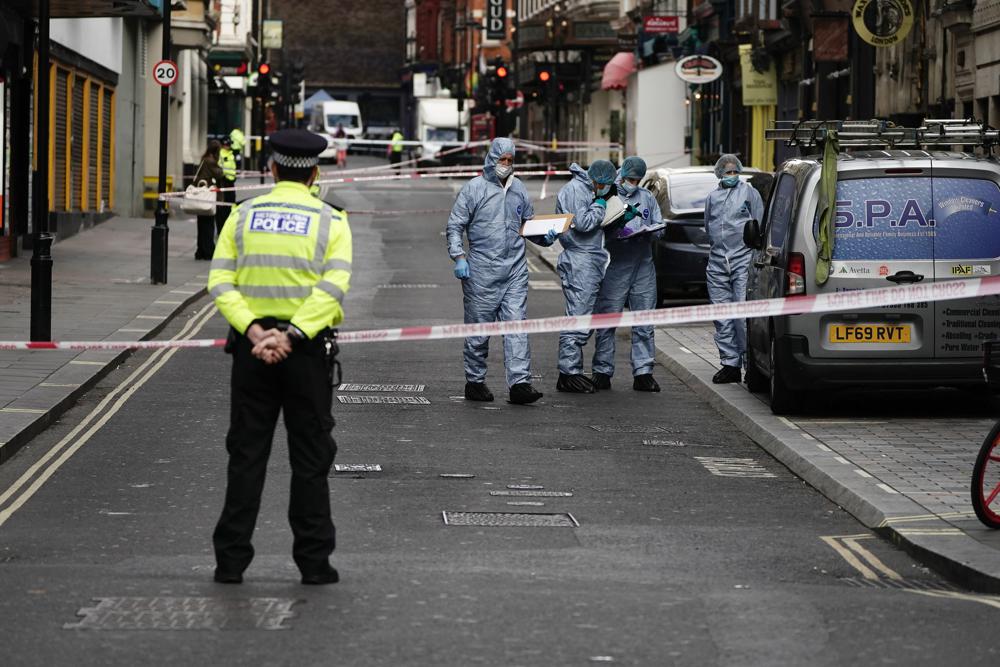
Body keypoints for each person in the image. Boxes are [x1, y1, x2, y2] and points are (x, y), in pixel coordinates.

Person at [207, 129, 352, 585]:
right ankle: (314, 563)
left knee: (246, 454)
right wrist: (292, 334)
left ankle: (230, 562)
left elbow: (220, 281)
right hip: (305, 351)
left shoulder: (243, 214)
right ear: (314, 172)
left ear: (271, 168)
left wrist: (254, 331)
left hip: (251, 351)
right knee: (310, 457)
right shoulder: (331, 219)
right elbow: (334, 287)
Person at [446, 137, 547, 405]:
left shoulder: (520, 189)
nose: (505, 165)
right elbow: (455, 225)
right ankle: (475, 381)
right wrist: (459, 256)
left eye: (510, 161)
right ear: (491, 159)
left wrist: (545, 237)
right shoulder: (474, 189)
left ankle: (520, 384)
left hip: (514, 269)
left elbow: (527, 224)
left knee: (517, 327)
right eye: (502, 160)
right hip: (481, 271)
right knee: (479, 331)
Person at [591, 156, 664, 392]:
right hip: (617, 265)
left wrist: (650, 233)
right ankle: (602, 370)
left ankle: (643, 372)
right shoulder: (609, 197)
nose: (633, 182)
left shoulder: (647, 198)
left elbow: (659, 226)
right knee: (607, 319)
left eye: (637, 179)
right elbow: (598, 228)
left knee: (644, 321)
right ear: (621, 175)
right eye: (630, 178)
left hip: (643, 265)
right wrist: (618, 231)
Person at [550, 159, 617, 393]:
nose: (606, 188)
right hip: (580, 261)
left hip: (589, 259)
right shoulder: (577, 190)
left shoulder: (585, 188)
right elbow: (583, 223)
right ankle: (568, 373)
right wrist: (600, 205)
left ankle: (572, 370)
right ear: (597, 180)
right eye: (605, 185)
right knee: (577, 316)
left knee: (583, 316)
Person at [704, 153, 764, 384]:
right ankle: (729, 364)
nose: (731, 175)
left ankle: (751, 365)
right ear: (719, 173)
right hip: (718, 260)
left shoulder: (749, 193)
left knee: (742, 315)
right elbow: (709, 226)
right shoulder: (712, 197)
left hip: (742, 259)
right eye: (727, 172)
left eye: (734, 171)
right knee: (721, 316)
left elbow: (758, 225)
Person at [193, 140, 225, 260]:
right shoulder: (211, 161)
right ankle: (208, 250)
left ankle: (200, 250)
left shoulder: (203, 159)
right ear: (216, 151)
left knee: (201, 224)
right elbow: (220, 174)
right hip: (207, 196)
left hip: (200, 195)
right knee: (208, 224)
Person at [216, 136, 238, 237]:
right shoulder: (220, 154)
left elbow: (233, 168)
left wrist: (234, 177)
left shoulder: (231, 155)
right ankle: (221, 229)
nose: (228, 146)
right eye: (227, 144)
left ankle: (228, 228)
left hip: (231, 183)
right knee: (222, 208)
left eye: (229, 144)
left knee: (231, 206)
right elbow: (219, 168)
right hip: (223, 183)